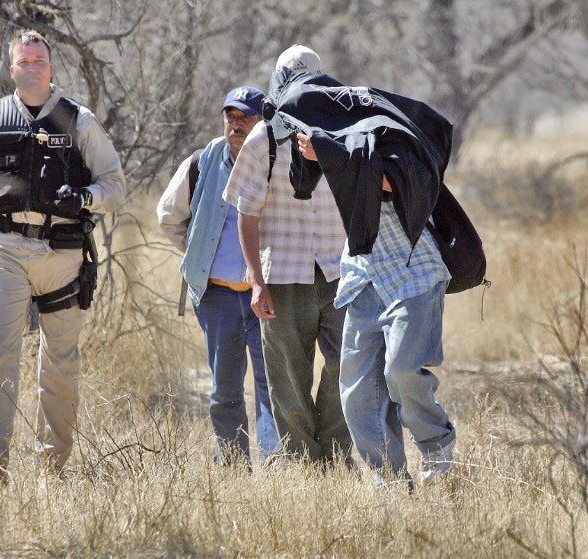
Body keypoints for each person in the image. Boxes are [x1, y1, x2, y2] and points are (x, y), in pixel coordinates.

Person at [265, 47, 456, 486]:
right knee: (356, 393)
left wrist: (326, 152)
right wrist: (313, 152)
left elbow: (390, 182)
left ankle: (437, 448)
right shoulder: (329, 134)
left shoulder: (385, 129)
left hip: (413, 270)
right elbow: (304, 183)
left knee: (402, 372)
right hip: (363, 275)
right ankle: (388, 480)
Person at [0, 29, 126, 484]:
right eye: (23, 61)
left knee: (60, 362)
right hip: (3, 250)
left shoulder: (79, 120)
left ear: (51, 67)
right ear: (11, 70)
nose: (31, 67)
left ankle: (54, 468)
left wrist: (83, 198)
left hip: (62, 254)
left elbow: (115, 185)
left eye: (38, 60)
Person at [223, 47, 354, 468]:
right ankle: (301, 463)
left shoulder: (345, 133)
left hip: (340, 274)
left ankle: (333, 458)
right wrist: (256, 281)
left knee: (346, 367)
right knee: (287, 378)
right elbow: (246, 212)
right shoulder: (264, 138)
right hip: (282, 277)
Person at [157, 86, 278, 465]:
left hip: (267, 297)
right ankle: (232, 462)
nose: (237, 124)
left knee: (270, 388)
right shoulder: (203, 161)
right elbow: (168, 216)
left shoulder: (277, 161)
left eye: (246, 117)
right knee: (224, 389)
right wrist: (201, 258)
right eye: (231, 117)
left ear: (264, 123)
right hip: (217, 298)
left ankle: (276, 465)